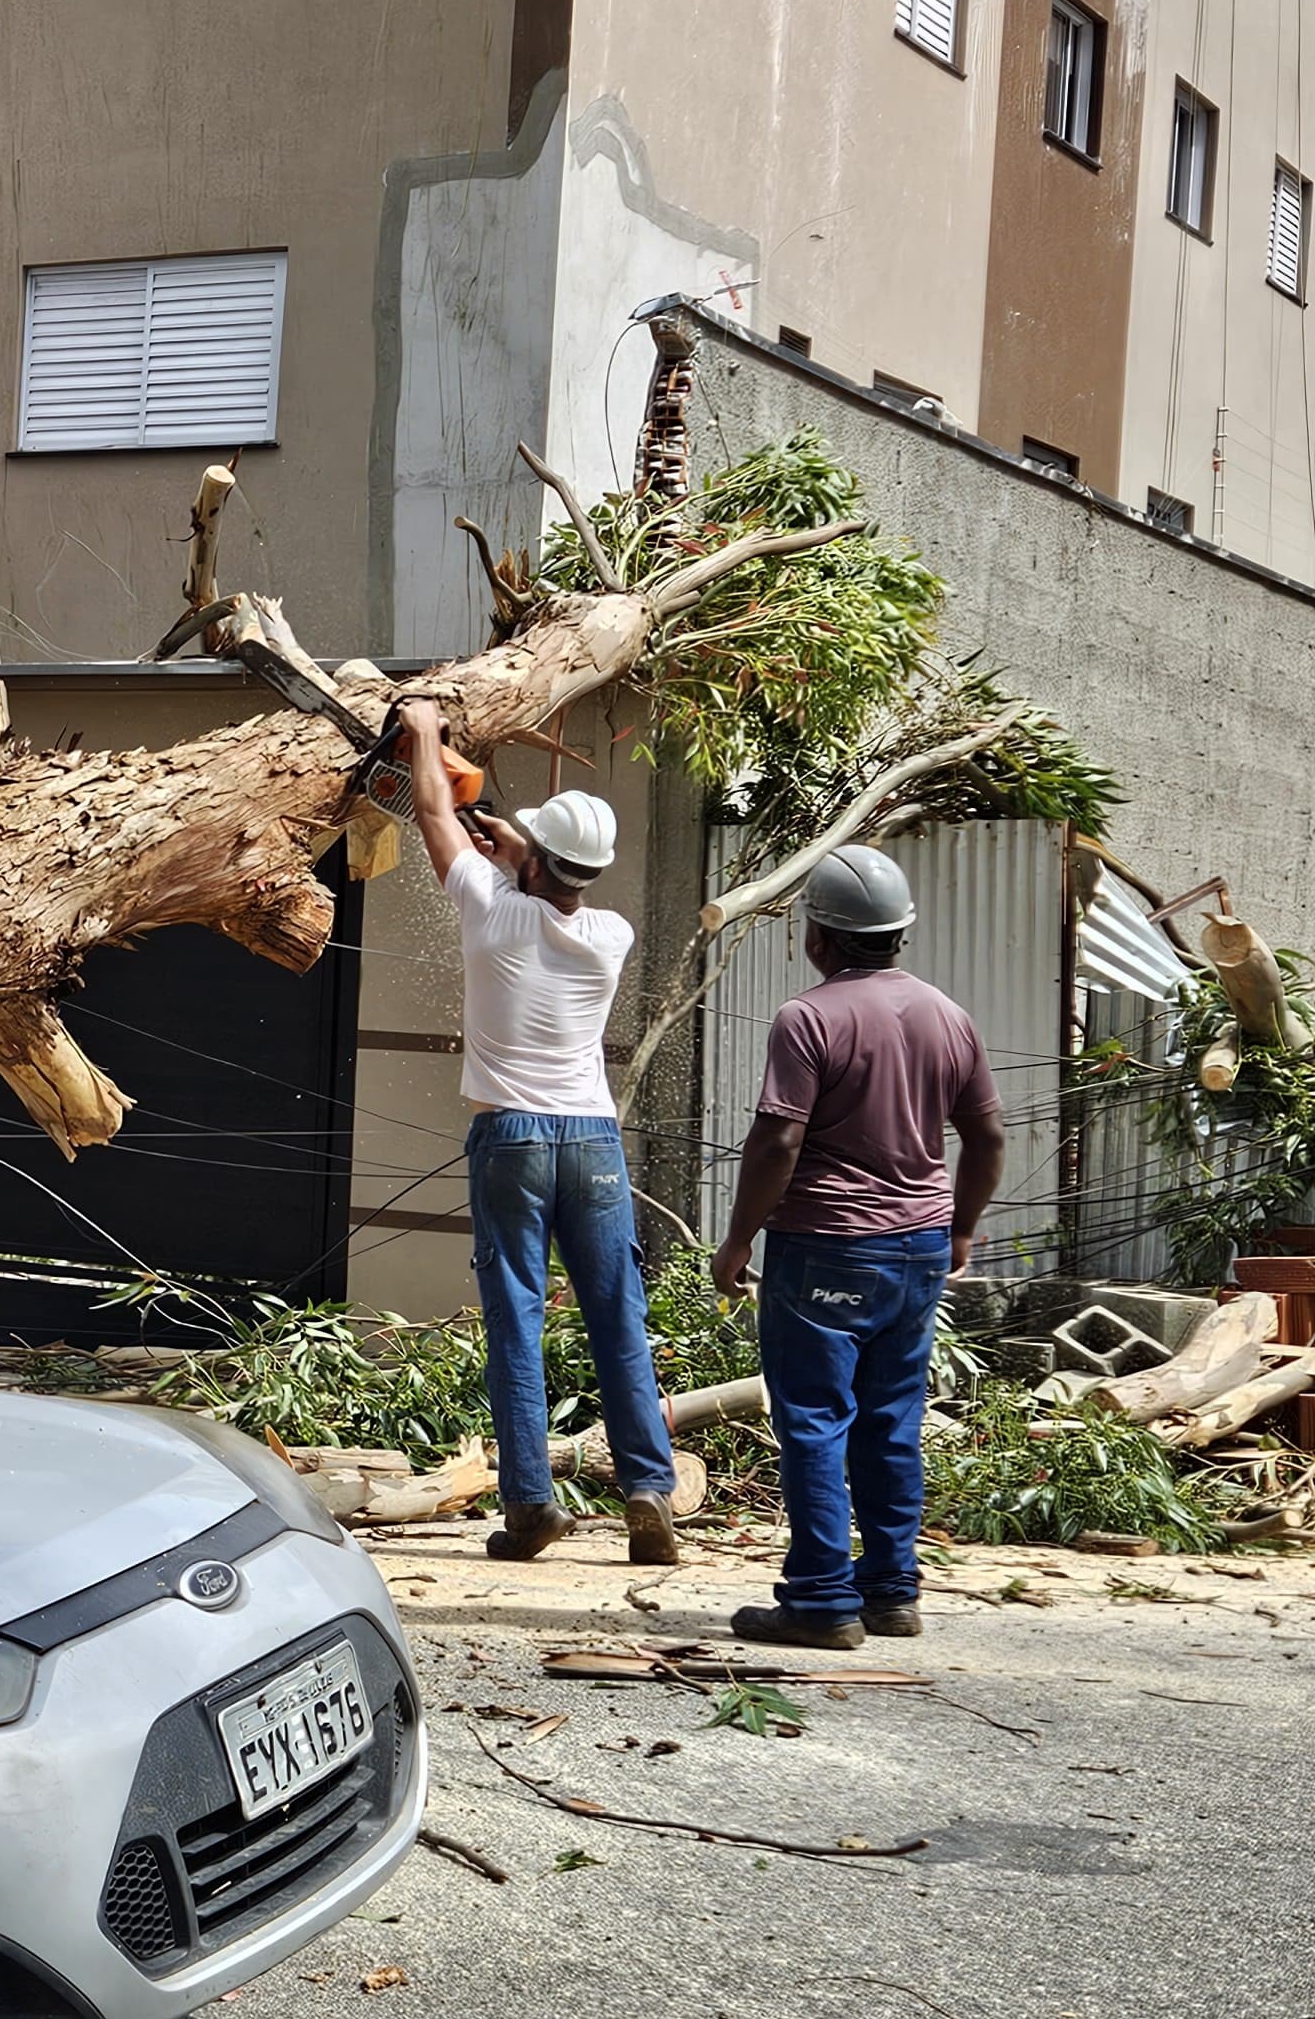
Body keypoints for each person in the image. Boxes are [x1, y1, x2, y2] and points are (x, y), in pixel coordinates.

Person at [396, 706, 678, 1564]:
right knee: (615, 1315)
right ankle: (648, 1490)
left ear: (535, 860)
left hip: (510, 1139)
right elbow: (551, 886)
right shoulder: (610, 937)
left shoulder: (489, 909)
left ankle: (530, 1507)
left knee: (516, 1318)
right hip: (592, 1142)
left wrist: (421, 730)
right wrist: (524, 853)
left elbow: (434, 814)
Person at [711, 846, 1003, 1650]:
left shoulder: (807, 1019)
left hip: (827, 1247)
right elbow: (987, 1135)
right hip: (918, 1250)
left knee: (813, 1420)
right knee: (891, 1420)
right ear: (898, 934)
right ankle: (891, 1591)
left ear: (820, 938)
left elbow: (778, 1141)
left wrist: (738, 1238)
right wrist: (964, 1226)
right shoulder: (950, 1017)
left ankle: (820, 1601)